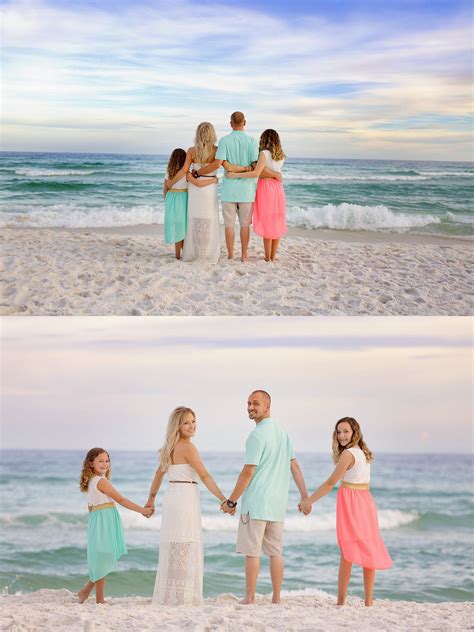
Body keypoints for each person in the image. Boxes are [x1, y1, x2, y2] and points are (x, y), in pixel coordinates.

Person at [221, 390, 310, 604]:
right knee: (275, 552)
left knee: (252, 552)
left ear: (267, 407)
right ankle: (276, 598)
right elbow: (294, 465)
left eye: (256, 404)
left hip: (256, 503)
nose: (251, 407)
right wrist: (304, 496)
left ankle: (250, 597)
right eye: (249, 403)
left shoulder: (257, 435)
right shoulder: (282, 432)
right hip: (277, 504)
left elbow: (248, 472)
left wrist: (231, 500)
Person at [299, 417, 392, 607]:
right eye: (338, 432)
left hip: (352, 503)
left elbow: (331, 482)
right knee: (368, 549)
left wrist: (309, 500)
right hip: (365, 501)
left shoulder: (348, 454)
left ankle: (341, 601)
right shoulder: (363, 453)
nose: (341, 435)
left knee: (347, 552)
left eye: (345, 431)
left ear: (355, 432)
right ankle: (368, 601)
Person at [146, 406, 227, 605]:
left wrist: (151, 499)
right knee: (186, 545)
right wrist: (223, 499)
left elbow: (158, 475)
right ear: (177, 426)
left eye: (193, 421)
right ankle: (182, 598)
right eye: (186, 422)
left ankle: (168, 596)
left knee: (174, 546)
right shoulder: (188, 447)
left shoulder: (168, 448)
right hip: (185, 498)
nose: (191, 426)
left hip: (172, 497)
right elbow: (205, 475)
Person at [77, 448, 152, 604]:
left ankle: (85, 592)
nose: (105, 464)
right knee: (103, 557)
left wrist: (95, 522)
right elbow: (121, 500)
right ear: (91, 463)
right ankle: (99, 599)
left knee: (102, 557)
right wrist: (142, 510)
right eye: (101, 461)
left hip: (99, 519)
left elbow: (90, 507)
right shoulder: (101, 481)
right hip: (104, 520)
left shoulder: (92, 481)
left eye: (107, 460)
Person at [193, 112, 259, 262]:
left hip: (229, 190)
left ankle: (230, 255)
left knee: (229, 225)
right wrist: (245, 168)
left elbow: (223, 164)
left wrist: (233, 169)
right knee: (244, 226)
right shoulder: (252, 142)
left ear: (231, 124)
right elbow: (254, 167)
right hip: (247, 191)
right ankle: (244, 255)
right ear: (245, 122)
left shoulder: (224, 141)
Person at [226, 129, 287, 262]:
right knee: (276, 220)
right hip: (277, 188)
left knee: (268, 221)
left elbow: (256, 173)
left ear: (263, 139)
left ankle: (267, 257)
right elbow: (271, 172)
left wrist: (235, 174)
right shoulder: (281, 155)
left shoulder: (263, 154)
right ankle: (273, 256)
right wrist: (275, 174)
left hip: (266, 188)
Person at [178, 123, 220, 263]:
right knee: (208, 219)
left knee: (195, 219)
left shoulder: (191, 150)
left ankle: (196, 251)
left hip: (195, 189)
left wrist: (173, 182)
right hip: (210, 188)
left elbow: (185, 170)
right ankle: (206, 252)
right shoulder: (216, 150)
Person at [163, 148, 188, 260]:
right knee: (183, 226)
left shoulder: (169, 170)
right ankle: (185, 253)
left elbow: (165, 188)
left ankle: (177, 255)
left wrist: (166, 201)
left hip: (171, 197)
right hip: (184, 198)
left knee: (178, 226)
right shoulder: (186, 171)